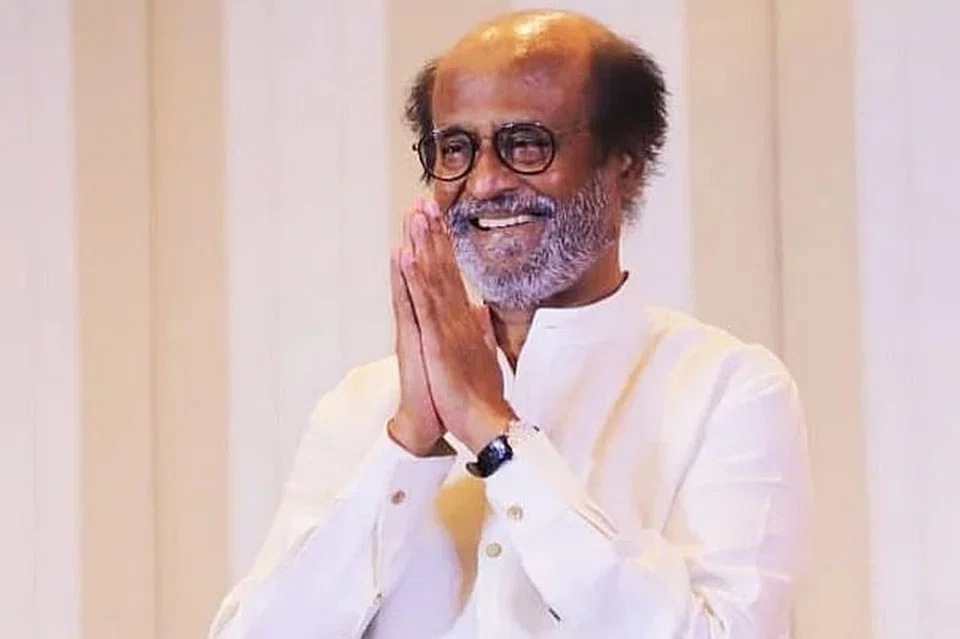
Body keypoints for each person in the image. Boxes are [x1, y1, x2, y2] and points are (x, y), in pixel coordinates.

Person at [208, 9, 811, 639]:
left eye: (526, 144)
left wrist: (496, 436)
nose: (485, 183)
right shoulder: (365, 406)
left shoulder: (728, 390)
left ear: (624, 163)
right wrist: (410, 444)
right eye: (455, 149)